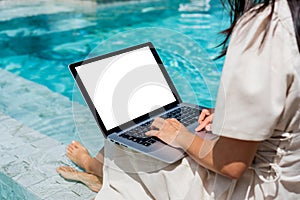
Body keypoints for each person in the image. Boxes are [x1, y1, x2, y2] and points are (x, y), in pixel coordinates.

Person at [58, 0, 300, 199]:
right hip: (290, 180)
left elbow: (232, 165)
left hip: (260, 190)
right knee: (140, 134)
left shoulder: (265, 27)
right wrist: (233, 113)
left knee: (124, 141)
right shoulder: (291, 16)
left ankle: (96, 169)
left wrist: (182, 136)